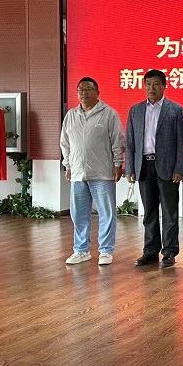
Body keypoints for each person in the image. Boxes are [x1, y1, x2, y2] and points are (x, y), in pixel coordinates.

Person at [125, 70, 183, 268]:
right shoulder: (135, 110)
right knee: (149, 212)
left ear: (164, 86)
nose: (151, 88)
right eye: (148, 84)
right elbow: (130, 142)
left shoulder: (175, 109)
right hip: (144, 166)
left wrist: (179, 168)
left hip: (167, 167)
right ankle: (150, 252)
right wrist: (130, 168)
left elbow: (182, 143)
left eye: (155, 84)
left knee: (170, 212)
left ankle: (169, 252)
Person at [60, 77, 125, 266]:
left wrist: (117, 164)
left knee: (107, 213)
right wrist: (68, 165)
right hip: (78, 173)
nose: (84, 93)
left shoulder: (108, 114)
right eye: (80, 90)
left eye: (88, 89)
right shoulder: (71, 115)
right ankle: (81, 250)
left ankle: (106, 251)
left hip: (102, 172)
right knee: (78, 214)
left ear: (97, 92)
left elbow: (117, 141)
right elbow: (65, 143)